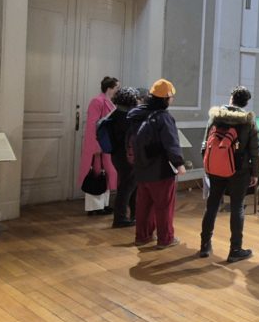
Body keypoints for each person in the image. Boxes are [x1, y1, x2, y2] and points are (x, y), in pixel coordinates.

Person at [200, 86, 259, 263]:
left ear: (231, 98)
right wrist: (255, 173)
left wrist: (208, 165)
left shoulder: (215, 116)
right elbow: (255, 150)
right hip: (239, 171)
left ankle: (204, 245)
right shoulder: (248, 122)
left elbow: (205, 144)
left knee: (212, 204)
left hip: (215, 169)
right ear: (246, 103)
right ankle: (235, 249)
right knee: (237, 207)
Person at [127, 79, 186, 249]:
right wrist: (179, 164)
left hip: (140, 167)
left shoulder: (136, 115)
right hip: (160, 169)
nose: (172, 99)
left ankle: (142, 236)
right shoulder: (163, 117)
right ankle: (165, 239)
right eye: (171, 96)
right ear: (165, 98)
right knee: (164, 206)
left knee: (143, 205)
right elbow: (171, 143)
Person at [80, 76, 120, 216]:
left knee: (106, 174)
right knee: (96, 174)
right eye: (116, 87)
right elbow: (92, 125)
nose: (118, 90)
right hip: (99, 144)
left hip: (106, 144)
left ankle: (103, 204)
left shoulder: (108, 102)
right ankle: (94, 207)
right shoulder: (97, 101)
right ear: (109, 88)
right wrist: (95, 146)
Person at [105, 86, 140, 228]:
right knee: (126, 188)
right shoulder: (127, 117)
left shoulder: (115, 114)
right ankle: (120, 219)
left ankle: (134, 215)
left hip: (117, 155)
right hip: (127, 156)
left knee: (130, 185)